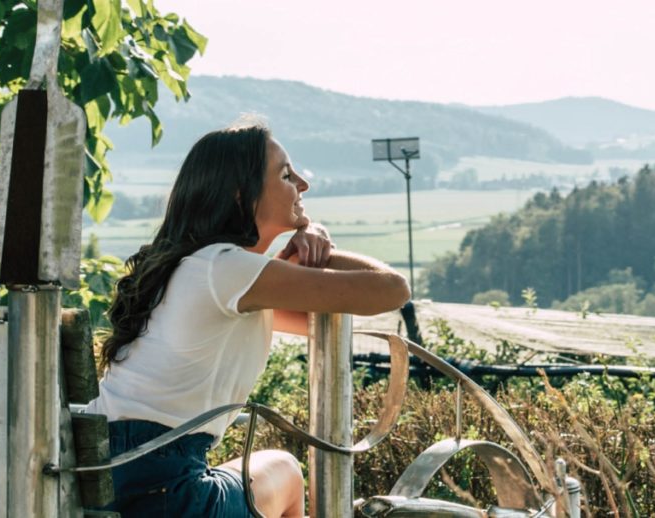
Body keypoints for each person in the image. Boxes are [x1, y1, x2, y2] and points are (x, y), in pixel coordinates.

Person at [83, 119, 410, 517]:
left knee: (274, 468)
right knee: (286, 470)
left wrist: (305, 244)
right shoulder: (224, 270)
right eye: (286, 175)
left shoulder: (192, 270)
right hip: (168, 494)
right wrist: (310, 241)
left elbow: (315, 322)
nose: (303, 185)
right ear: (241, 195)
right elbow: (392, 290)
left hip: (115, 483)